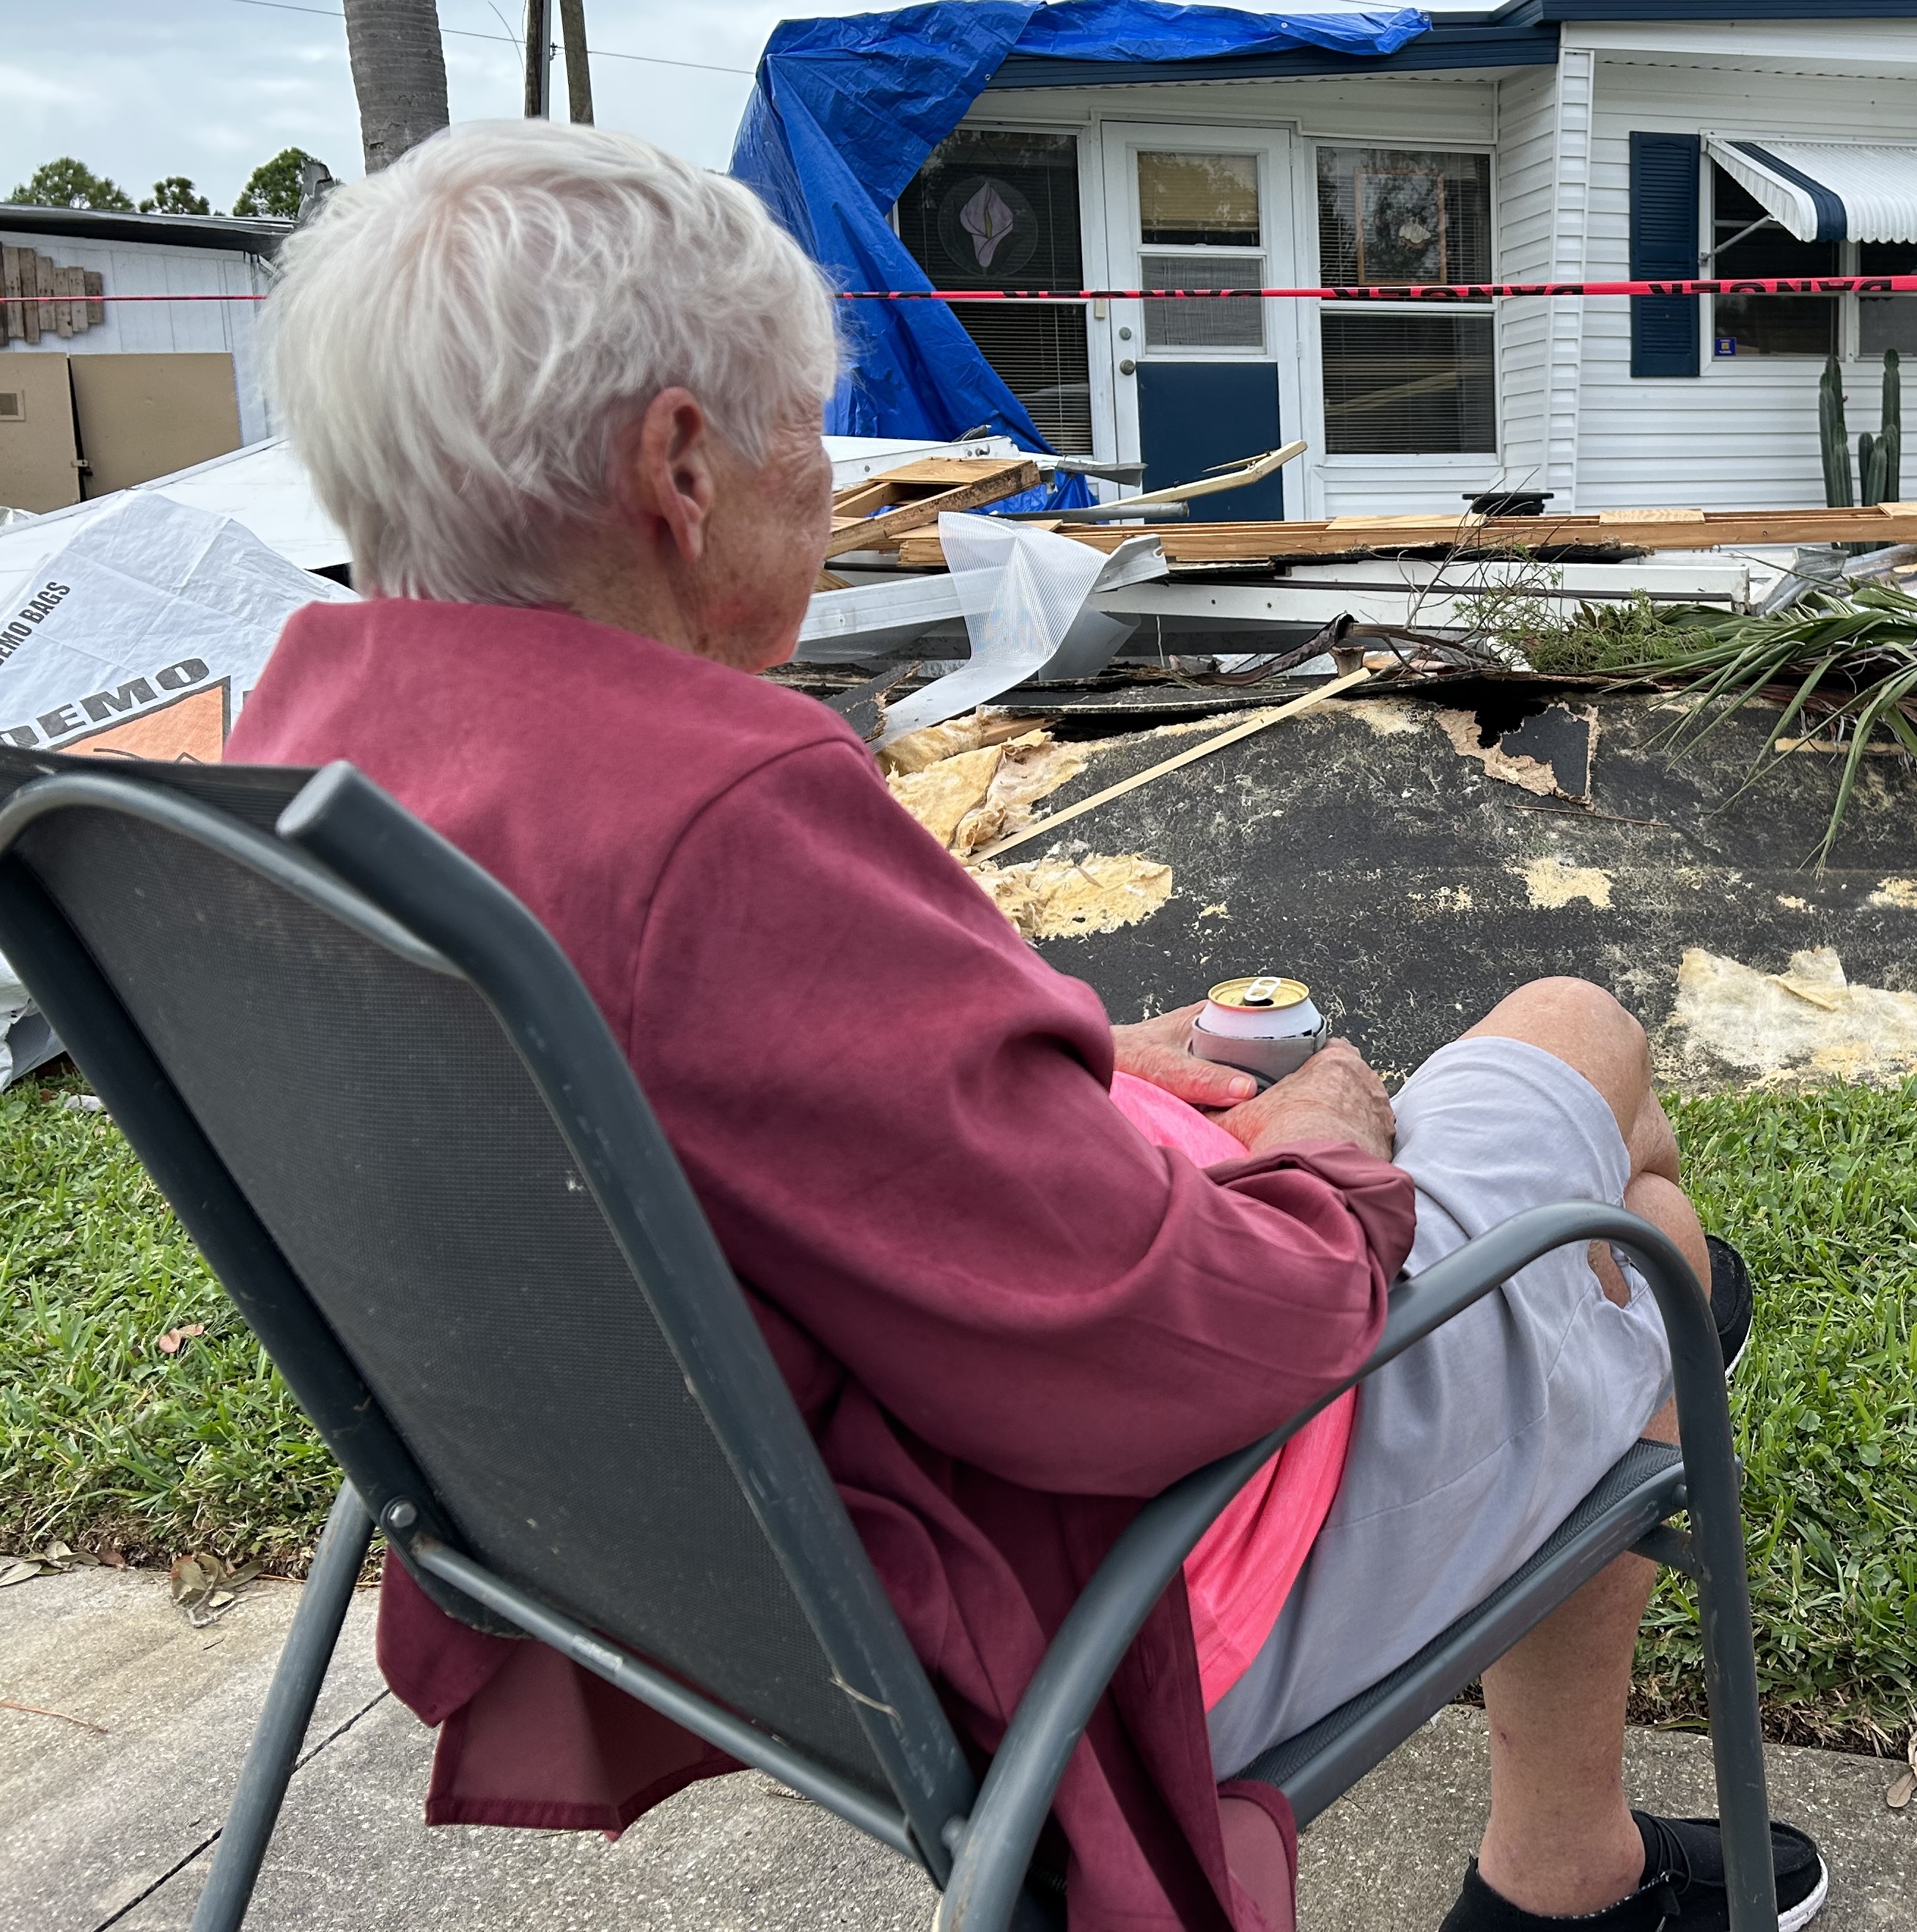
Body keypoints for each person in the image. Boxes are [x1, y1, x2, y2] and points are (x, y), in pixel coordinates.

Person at [240, 122, 1826, 1932]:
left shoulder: (317, 757)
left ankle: (1584, 1797)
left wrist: (1053, 1060)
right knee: (1610, 1126)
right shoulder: (712, 810)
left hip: (674, 1578)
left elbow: (767, 1097)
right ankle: (1569, 1867)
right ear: (679, 463)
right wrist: (1327, 1163)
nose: (825, 484)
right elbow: (1165, 1349)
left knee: (1604, 1208)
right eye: (801, 431)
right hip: (1062, 1599)